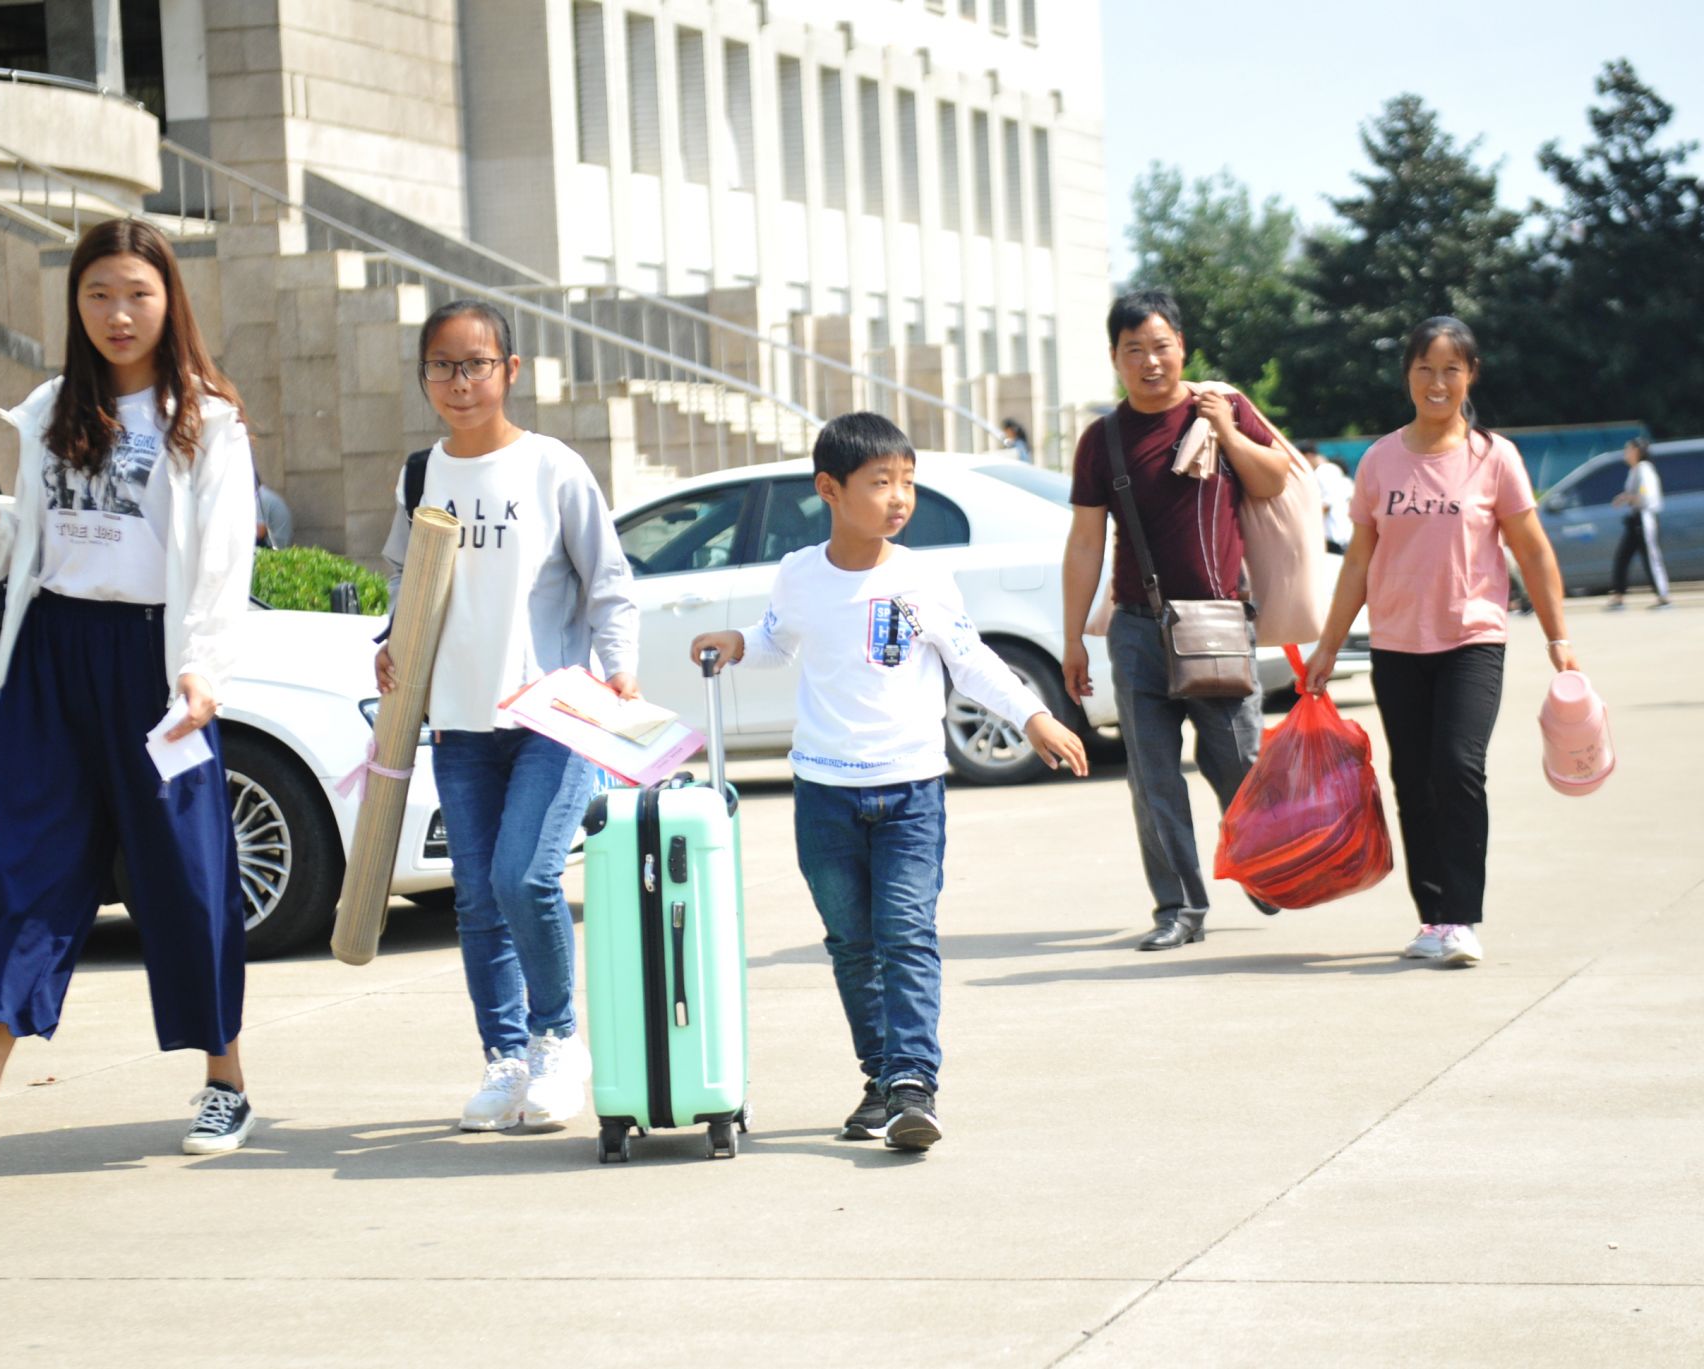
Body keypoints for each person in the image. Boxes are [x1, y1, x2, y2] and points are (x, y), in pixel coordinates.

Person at [0, 218, 260, 1186]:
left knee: (187, 879)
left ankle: (225, 1080)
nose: (118, 314)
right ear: (75, 305)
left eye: (136, 293)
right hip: (48, 659)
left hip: (155, 666)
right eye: (97, 295)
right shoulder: (50, 409)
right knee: (19, 871)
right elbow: (26, 554)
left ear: (169, 301)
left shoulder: (204, 420)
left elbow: (220, 560)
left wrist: (203, 668)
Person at [691, 413, 1087, 1152]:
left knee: (906, 935)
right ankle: (880, 1076)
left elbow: (970, 662)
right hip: (824, 793)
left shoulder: (923, 577)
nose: (899, 497)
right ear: (830, 491)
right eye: (881, 483)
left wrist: (1033, 717)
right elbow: (779, 640)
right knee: (849, 943)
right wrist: (739, 641)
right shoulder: (800, 573)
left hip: (911, 791)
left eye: (907, 481)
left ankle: (912, 1084)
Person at [374, 299, 639, 1134]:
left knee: (525, 877)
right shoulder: (421, 475)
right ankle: (507, 1059)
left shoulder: (551, 467)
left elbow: (610, 580)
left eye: (476, 363)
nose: (460, 381)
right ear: (424, 376)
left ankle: (559, 1039)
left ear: (510, 371)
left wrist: (621, 667)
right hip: (457, 719)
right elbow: (403, 578)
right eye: (442, 366)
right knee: (480, 898)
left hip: (553, 713)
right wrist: (391, 639)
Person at [1304, 316, 1578, 967]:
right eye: (1425, 367)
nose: (1437, 381)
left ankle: (1460, 917)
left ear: (1470, 375)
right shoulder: (1379, 459)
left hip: (1471, 639)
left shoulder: (1494, 457)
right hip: (1397, 645)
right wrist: (1326, 645)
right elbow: (1358, 563)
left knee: (1458, 767)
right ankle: (1432, 918)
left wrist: (1557, 636)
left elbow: (1533, 553)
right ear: (1407, 375)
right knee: (1413, 779)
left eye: (1451, 368)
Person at [1062, 290, 1291, 952]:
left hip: (1219, 621)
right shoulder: (1101, 440)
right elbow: (1083, 542)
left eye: (1160, 346)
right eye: (1133, 350)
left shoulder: (1223, 405)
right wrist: (1074, 633)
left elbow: (1273, 479)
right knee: (1153, 774)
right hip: (1137, 628)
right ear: (1114, 359)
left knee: (1239, 761)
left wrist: (1226, 430)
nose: (1150, 361)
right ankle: (1179, 908)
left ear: (1182, 348)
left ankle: (1259, 863)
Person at [1608, 437, 1673, 609]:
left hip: (1645, 518)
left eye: (1628, 449)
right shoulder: (1635, 470)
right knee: (1623, 557)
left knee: (1651, 558)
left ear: (1637, 451)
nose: (1625, 453)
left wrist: (1627, 498)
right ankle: (1619, 596)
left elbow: (1646, 495)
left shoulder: (1644, 469)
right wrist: (1626, 497)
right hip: (1635, 520)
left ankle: (1663, 596)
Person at [1303, 442, 1355, 553]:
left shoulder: (1322, 471)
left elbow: (1326, 504)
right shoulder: (1334, 471)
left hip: (1333, 538)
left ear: (1308, 456)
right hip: (1344, 536)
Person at [255, 476, 294, 549]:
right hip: (278, 543)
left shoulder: (260, 499)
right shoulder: (263, 494)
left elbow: (259, 533)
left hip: (276, 547)